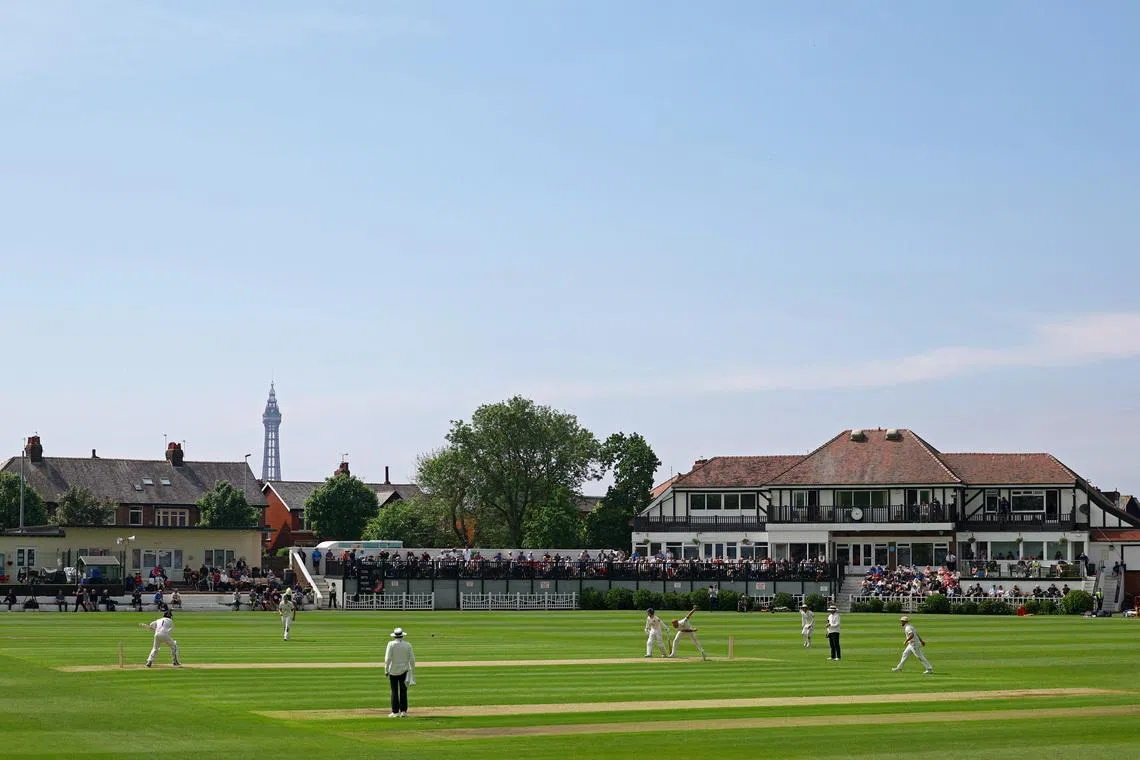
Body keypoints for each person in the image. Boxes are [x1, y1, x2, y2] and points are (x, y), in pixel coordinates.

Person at [384, 627, 416, 718]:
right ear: (402, 636)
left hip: (393, 670)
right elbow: (412, 659)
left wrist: (386, 669)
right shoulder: (408, 645)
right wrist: (412, 671)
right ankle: (403, 711)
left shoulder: (391, 644)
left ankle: (395, 712)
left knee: (394, 691)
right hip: (404, 670)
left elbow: (387, 659)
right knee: (403, 691)